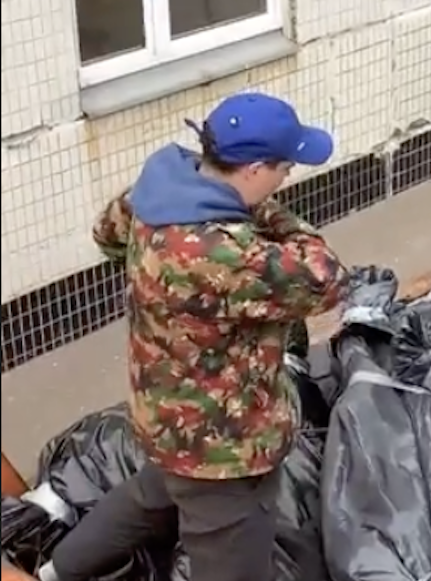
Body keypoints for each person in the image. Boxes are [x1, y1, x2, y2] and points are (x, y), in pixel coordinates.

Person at [37, 93, 350, 581]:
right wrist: (272, 215)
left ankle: (56, 570)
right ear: (252, 170)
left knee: (152, 495)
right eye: (284, 166)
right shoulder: (223, 253)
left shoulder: (155, 191)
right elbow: (325, 277)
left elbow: (107, 236)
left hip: (164, 413)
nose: (288, 174)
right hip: (222, 450)